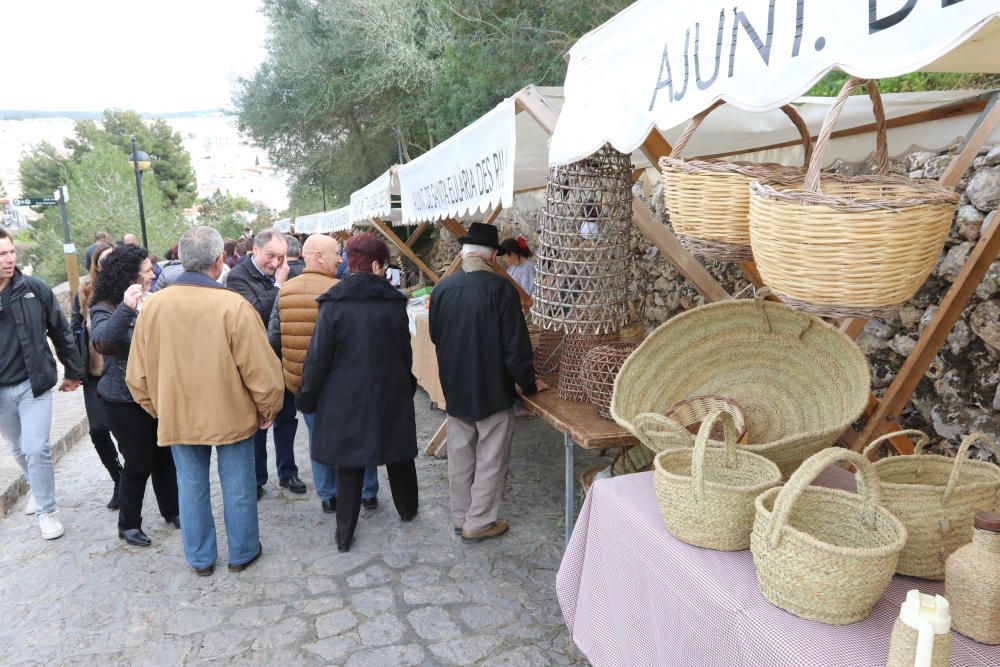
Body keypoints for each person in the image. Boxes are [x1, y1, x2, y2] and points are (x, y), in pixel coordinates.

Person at [126, 226, 284, 575]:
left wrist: (161, 409)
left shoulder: (153, 308)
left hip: (179, 416)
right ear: (219, 262)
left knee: (191, 488)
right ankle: (242, 553)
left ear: (182, 260)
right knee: (239, 486)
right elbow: (262, 371)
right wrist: (267, 408)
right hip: (232, 413)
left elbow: (137, 377)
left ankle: (200, 559)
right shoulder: (233, 306)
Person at [297, 233, 418, 552]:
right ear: (377, 265)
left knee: (349, 463)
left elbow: (318, 357)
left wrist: (307, 394)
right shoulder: (394, 303)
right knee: (399, 455)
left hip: (345, 397)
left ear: (351, 262)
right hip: (389, 391)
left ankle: (344, 532)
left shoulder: (334, 304)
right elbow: (404, 352)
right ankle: (408, 510)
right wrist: (406, 385)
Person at [429, 223, 540, 544]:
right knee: (491, 455)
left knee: (461, 452)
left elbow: (437, 336)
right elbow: (516, 348)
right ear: (492, 256)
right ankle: (478, 522)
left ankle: (461, 516)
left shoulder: (442, 289)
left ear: (464, 255)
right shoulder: (500, 289)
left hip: (456, 384)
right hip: (492, 387)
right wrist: (529, 385)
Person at [267, 234, 380, 514]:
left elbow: (274, 337)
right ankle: (366, 492)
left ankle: (329, 495)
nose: (340, 258)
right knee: (358, 434)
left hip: (303, 384)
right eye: (336, 253)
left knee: (318, 438)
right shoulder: (342, 290)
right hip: (343, 383)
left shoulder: (286, 291)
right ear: (318, 256)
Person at [91, 244, 179, 547]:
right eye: (146, 271)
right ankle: (128, 524)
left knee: (164, 456)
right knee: (138, 461)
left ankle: (172, 510)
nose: (153, 273)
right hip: (122, 399)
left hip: (155, 393)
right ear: (129, 277)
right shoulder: (103, 305)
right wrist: (127, 308)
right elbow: (103, 341)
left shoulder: (154, 299)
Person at [0, 227, 84, 540]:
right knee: (17, 446)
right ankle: (36, 486)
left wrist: (73, 371)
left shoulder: (33, 289)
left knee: (37, 447)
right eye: (2, 254)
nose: (9, 259)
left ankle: (47, 510)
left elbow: (60, 330)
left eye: (11, 252)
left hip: (32, 385)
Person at [225, 229, 304, 498]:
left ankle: (288, 473)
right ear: (255, 251)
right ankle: (257, 479)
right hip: (254, 364)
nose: (275, 263)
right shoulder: (237, 277)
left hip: (282, 360)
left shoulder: (285, 273)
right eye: (271, 256)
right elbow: (255, 312)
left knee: (286, 419)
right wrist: (279, 286)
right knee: (256, 424)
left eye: (281, 257)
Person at [71, 242, 121, 509]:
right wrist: (73, 368)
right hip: (94, 373)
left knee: (126, 433)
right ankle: (118, 478)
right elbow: (73, 331)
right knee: (99, 430)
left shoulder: (127, 290)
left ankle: (137, 476)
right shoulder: (85, 293)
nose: (108, 264)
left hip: (123, 371)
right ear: (95, 265)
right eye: (102, 260)